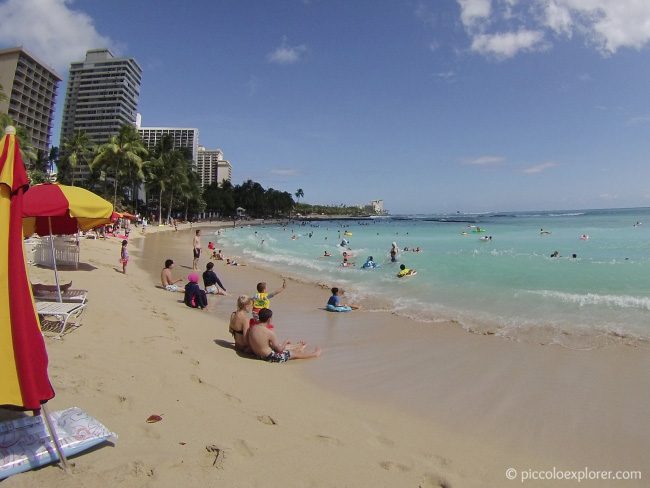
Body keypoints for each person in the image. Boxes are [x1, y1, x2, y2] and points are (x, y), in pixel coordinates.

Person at [247, 308, 321, 362]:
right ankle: (314, 354)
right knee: (292, 354)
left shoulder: (252, 328)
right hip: (268, 358)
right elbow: (279, 350)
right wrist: (286, 341)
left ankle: (298, 347)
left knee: (277, 345)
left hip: (258, 355)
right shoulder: (269, 332)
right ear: (269, 319)